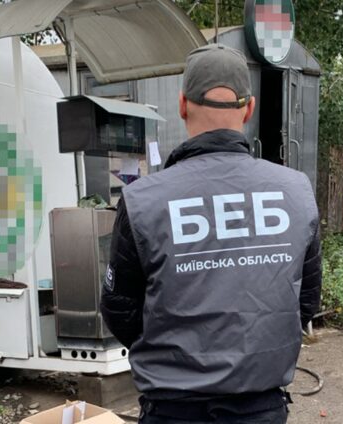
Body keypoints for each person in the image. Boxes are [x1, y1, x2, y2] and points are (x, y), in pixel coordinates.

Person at [101, 44, 322, 424]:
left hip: (172, 409)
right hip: (261, 410)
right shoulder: (295, 191)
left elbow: (120, 307)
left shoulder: (143, 199)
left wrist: (172, 356)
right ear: (249, 108)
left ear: (182, 105)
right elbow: (306, 301)